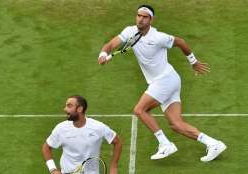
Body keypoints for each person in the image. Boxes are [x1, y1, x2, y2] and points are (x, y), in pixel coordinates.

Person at [98, 4, 226, 162]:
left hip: (165, 80)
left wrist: (193, 62)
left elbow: (181, 42)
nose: (140, 19)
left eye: (145, 17)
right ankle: (214, 144)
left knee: (139, 110)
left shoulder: (159, 37)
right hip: (168, 81)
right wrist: (103, 53)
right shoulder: (130, 31)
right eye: (139, 15)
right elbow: (110, 44)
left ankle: (165, 144)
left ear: (151, 19)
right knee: (176, 124)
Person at [42, 95, 122, 174]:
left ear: (80, 109)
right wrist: (53, 169)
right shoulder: (61, 128)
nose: (65, 109)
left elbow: (117, 142)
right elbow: (46, 147)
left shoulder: (98, 127)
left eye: (69, 106)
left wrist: (113, 166)